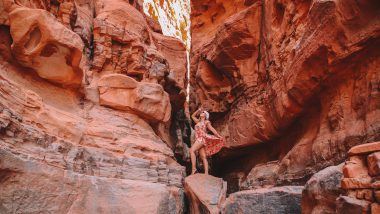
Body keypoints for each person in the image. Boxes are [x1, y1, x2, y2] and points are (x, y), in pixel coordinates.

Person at [189, 107, 224, 175]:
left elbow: (212, 129)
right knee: (203, 156)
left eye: (203, 112)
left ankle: (194, 169)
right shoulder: (198, 122)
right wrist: (198, 110)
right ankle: (206, 173)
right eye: (202, 112)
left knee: (191, 151)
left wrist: (218, 136)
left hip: (201, 138)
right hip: (198, 139)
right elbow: (192, 116)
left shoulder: (206, 122)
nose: (201, 113)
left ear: (205, 116)